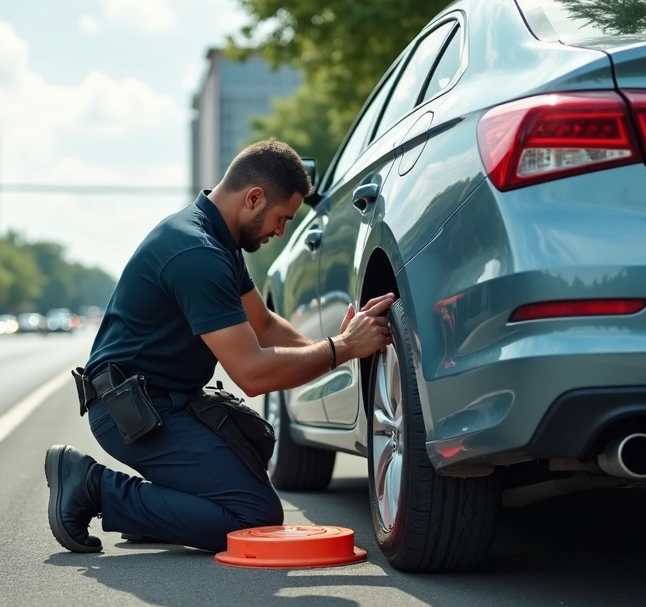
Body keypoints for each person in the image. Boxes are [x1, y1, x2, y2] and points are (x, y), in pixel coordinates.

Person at [45, 139, 395, 554]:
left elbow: (262, 324)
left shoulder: (215, 239)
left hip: (164, 404)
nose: (281, 232)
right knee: (254, 516)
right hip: (133, 414)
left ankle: (168, 515)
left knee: (250, 466)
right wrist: (342, 348)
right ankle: (93, 486)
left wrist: (333, 345)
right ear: (253, 198)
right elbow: (252, 373)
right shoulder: (197, 252)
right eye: (282, 219)